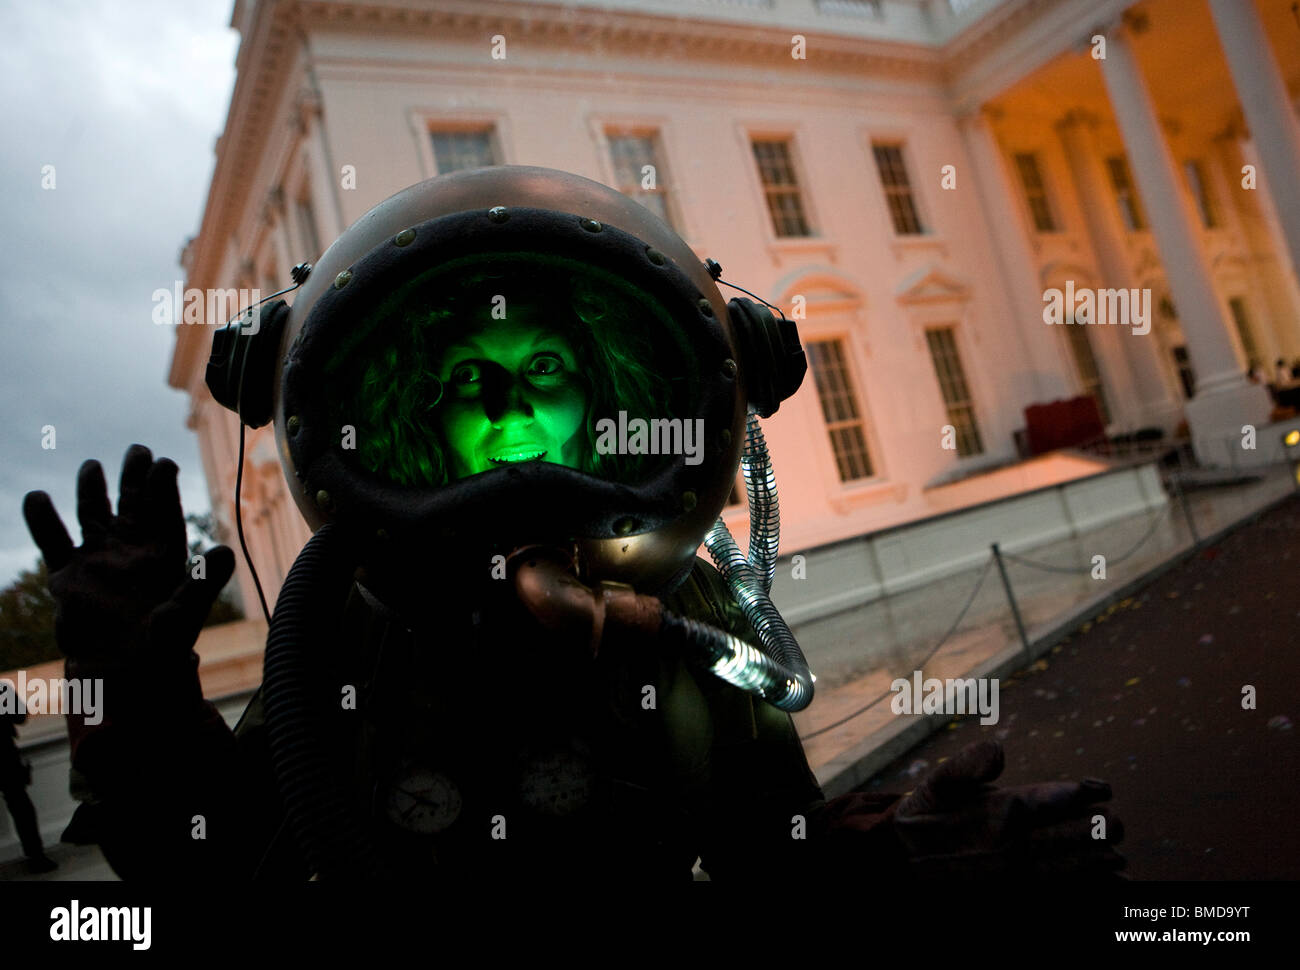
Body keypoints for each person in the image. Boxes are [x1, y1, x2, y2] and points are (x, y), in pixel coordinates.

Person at [21, 165, 1124, 881]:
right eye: (465, 379)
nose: (509, 406)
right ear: (412, 418)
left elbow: (774, 852)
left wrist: (895, 849)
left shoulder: (677, 605)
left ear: (598, 395)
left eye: (543, 367)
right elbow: (218, 866)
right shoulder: (347, 624)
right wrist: (129, 710)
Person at [0, 683, 57, 874]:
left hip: (7, 755)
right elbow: (20, 717)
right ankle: (36, 855)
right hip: (5, 754)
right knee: (20, 806)